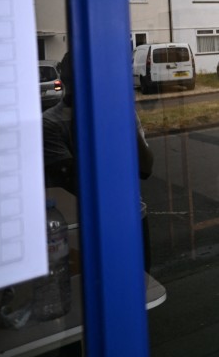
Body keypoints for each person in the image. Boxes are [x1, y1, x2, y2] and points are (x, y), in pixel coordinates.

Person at [42, 52, 154, 271]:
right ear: (66, 82)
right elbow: (79, 183)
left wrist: (121, 117)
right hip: (84, 224)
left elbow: (146, 168)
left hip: (131, 215)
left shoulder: (119, 113)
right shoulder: (51, 123)